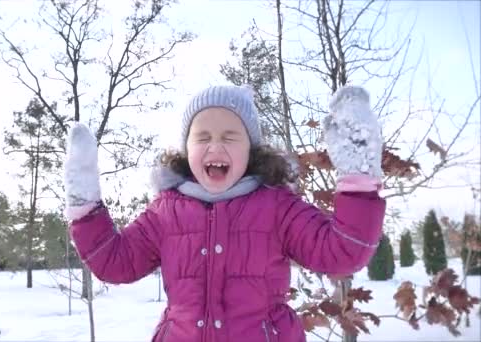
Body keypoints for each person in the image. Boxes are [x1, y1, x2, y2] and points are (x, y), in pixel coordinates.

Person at [63, 84, 386, 342]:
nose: (215, 146)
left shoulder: (277, 206)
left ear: (251, 149)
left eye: (230, 137)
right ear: (186, 150)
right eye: (202, 137)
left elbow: (343, 252)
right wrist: (84, 203)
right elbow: (114, 263)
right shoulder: (166, 211)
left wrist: (357, 178)